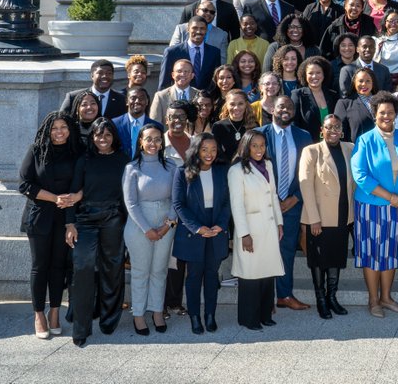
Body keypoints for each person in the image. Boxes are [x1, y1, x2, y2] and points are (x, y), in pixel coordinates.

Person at [65, 118, 129, 347]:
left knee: (112, 267)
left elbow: (127, 195)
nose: (103, 139)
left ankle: (109, 320)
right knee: (82, 268)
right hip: (85, 220)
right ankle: (81, 328)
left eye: (107, 135)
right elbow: (73, 193)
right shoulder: (84, 160)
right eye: (98, 135)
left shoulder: (123, 160)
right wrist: (69, 224)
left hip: (113, 218)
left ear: (114, 137)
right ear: (92, 137)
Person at [19, 112, 81, 340]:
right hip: (40, 217)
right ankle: (38, 315)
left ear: (70, 129)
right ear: (47, 130)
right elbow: (25, 184)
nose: (59, 131)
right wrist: (55, 198)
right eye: (54, 128)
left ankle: (54, 311)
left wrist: (75, 198)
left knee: (58, 266)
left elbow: (84, 182)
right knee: (40, 266)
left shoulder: (77, 152)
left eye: (63, 127)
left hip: (66, 219)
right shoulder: (36, 150)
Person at [351, 92, 398, 317]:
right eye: (382, 113)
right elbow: (360, 175)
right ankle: (373, 300)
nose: (386, 116)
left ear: (396, 114)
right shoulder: (365, 139)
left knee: (392, 252)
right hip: (371, 206)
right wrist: (390, 197)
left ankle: (387, 297)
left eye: (390, 112)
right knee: (372, 252)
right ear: (375, 115)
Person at [122, 124, 179, 335]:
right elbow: (131, 203)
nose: (153, 143)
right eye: (148, 139)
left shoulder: (171, 166)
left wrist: (166, 226)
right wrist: (148, 229)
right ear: (141, 142)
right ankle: (138, 314)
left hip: (166, 222)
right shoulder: (132, 168)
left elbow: (176, 199)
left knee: (159, 270)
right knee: (140, 271)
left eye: (157, 139)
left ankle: (156, 311)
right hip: (139, 225)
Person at [172, 132, 230, 335]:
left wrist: (221, 225)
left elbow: (226, 203)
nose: (210, 154)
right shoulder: (182, 172)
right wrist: (196, 227)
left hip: (216, 227)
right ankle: (195, 316)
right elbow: (178, 204)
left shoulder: (222, 171)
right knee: (194, 275)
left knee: (212, 275)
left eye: (213, 150)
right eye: (205, 149)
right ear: (196, 150)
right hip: (193, 230)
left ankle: (210, 315)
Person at [297, 115, 355, 320]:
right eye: (329, 127)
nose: (333, 131)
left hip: (343, 215)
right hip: (319, 217)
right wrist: (313, 218)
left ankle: (332, 297)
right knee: (319, 260)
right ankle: (321, 300)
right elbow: (305, 184)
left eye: (337, 127)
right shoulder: (311, 151)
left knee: (336, 259)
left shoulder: (350, 148)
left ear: (342, 130)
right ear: (322, 130)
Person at [259, 95, 313, 311]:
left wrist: (296, 197)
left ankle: (284, 295)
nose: (286, 110)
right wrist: (272, 199)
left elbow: (310, 172)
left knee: (287, 251)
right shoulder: (259, 135)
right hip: (264, 204)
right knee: (263, 251)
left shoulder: (304, 136)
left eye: (290, 107)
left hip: (292, 204)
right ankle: (264, 297)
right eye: (281, 106)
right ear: (272, 109)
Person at [228, 129, 285, 331]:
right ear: (246, 146)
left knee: (267, 274)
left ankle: (265, 314)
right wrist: (244, 234)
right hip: (251, 230)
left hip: (269, 227)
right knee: (250, 276)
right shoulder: (236, 171)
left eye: (262, 145)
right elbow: (236, 205)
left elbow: (273, 196)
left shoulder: (268, 165)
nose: (259, 150)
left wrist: (279, 222)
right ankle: (248, 318)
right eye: (255, 146)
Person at [58, 59, 124, 119]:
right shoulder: (73, 97)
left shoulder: (122, 99)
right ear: (92, 75)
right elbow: (61, 120)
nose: (105, 76)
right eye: (100, 73)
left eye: (109, 73)